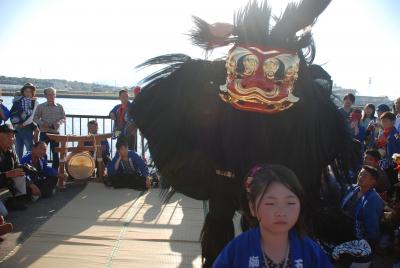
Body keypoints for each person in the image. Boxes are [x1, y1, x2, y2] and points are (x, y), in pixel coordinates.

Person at [213, 164, 331, 268]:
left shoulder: (310, 251)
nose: (281, 212)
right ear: (252, 208)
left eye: (290, 203)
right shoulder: (237, 250)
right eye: (270, 203)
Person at [34, 87, 66, 170]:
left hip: (56, 134)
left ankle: (55, 172)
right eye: (50, 94)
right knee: (42, 152)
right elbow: (35, 118)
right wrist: (42, 123)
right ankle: (42, 170)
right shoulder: (41, 106)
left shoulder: (60, 106)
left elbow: (64, 118)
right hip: (44, 132)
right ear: (45, 95)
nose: (52, 96)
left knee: (55, 153)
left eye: (53, 94)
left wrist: (58, 123)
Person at [0, 124, 27, 210]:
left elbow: (16, 165)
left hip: (6, 183)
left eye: (13, 136)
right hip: (3, 181)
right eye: (8, 136)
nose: (12, 139)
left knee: (21, 175)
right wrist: (7, 174)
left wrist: (25, 168)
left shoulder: (11, 149)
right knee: (4, 213)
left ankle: (12, 200)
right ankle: (8, 201)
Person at [10, 83, 39, 159]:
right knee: (18, 149)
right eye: (26, 91)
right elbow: (12, 113)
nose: (28, 93)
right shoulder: (18, 101)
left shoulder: (35, 102)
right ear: (23, 92)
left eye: (30, 91)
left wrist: (24, 124)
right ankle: (18, 167)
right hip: (17, 127)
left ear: (32, 93)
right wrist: (15, 124)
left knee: (29, 148)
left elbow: (32, 116)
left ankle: (31, 166)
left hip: (27, 127)